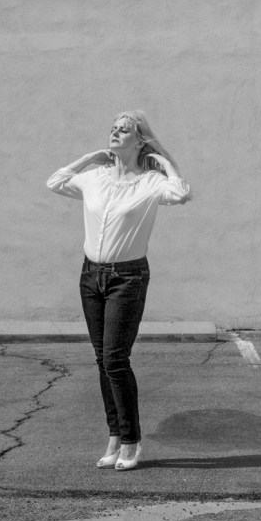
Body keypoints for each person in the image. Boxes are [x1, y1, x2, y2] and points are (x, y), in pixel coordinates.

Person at [47, 110, 192, 471]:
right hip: (90, 276)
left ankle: (131, 440)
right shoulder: (94, 178)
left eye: (124, 129)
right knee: (102, 359)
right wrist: (88, 159)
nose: (115, 132)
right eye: (112, 128)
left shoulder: (150, 183)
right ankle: (115, 435)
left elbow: (180, 194)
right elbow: (54, 182)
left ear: (139, 140)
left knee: (115, 359)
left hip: (128, 278)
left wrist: (165, 164)